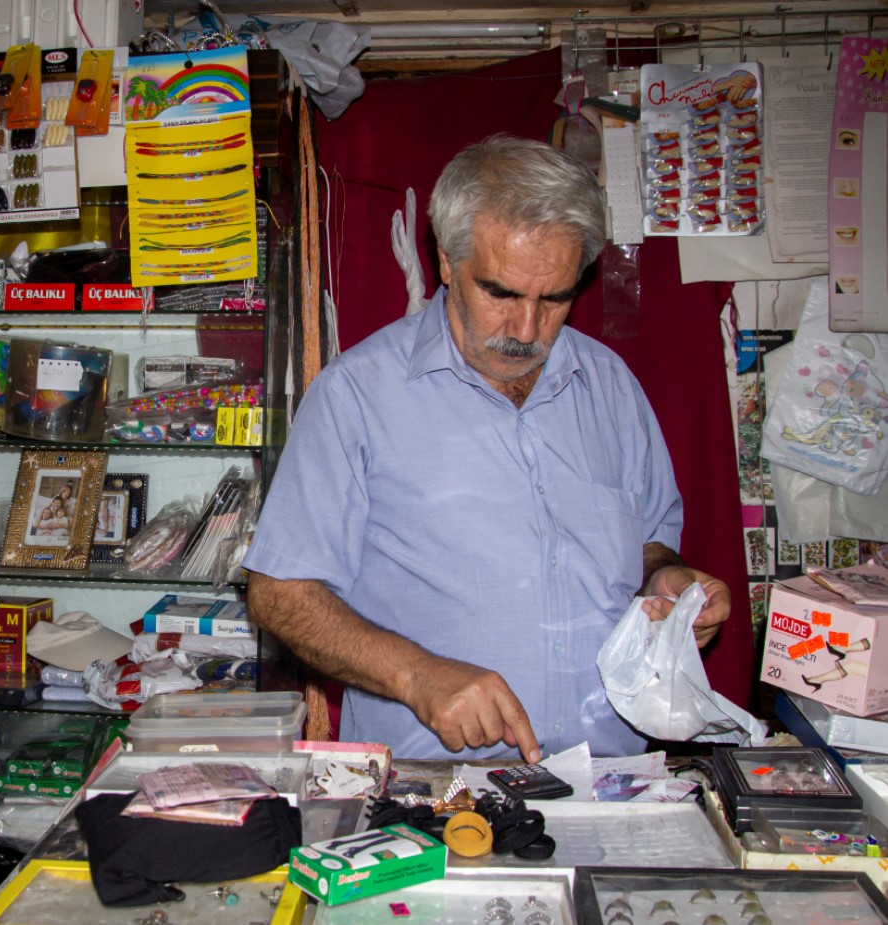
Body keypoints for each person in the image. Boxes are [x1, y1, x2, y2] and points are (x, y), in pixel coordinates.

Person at [244, 135, 732, 762]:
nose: (527, 329)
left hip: (611, 778)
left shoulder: (610, 386)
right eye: (501, 293)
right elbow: (280, 593)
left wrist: (665, 581)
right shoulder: (356, 396)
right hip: (431, 788)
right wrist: (416, 675)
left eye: (554, 298)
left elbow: (647, 545)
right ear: (448, 262)